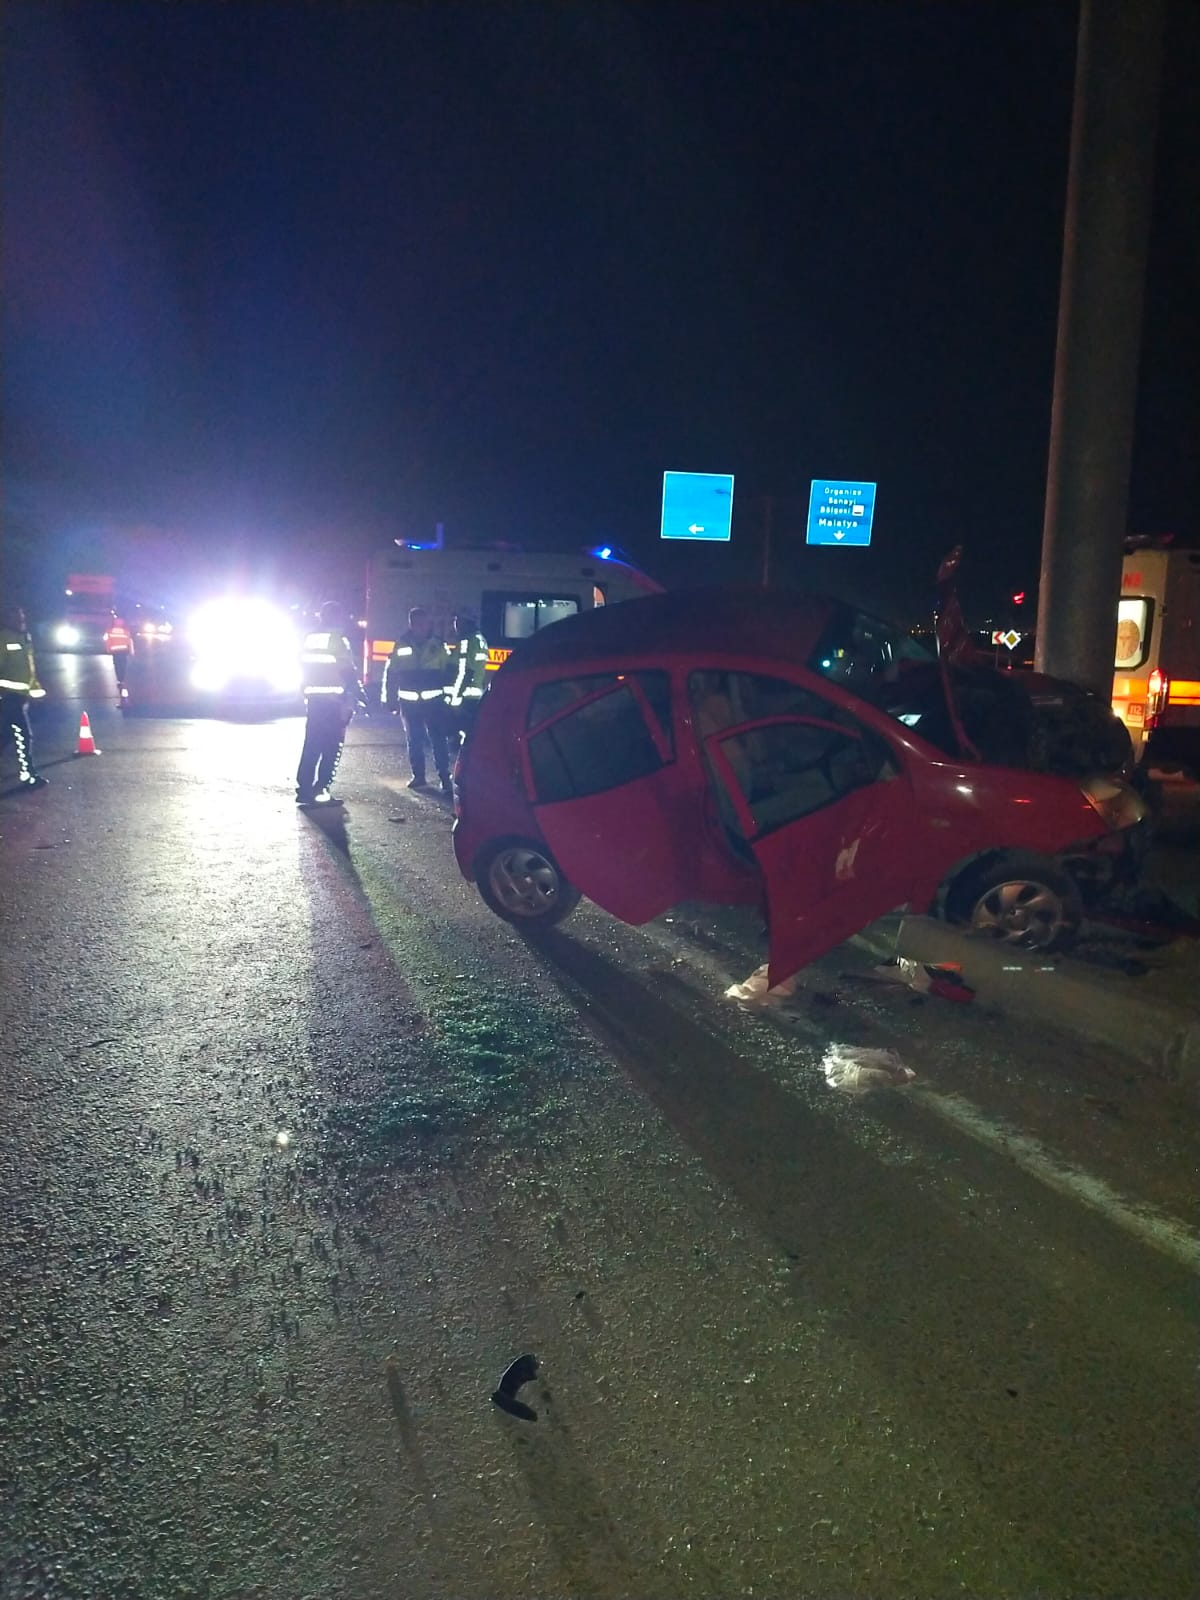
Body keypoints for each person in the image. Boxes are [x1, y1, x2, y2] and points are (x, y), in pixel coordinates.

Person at [295, 602, 363, 807]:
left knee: (312, 745)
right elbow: (347, 670)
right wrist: (357, 692)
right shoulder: (337, 640)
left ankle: (304, 788)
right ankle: (322, 789)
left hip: (314, 699)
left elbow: (302, 666)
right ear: (336, 617)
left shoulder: (309, 638)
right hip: (334, 701)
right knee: (332, 746)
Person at [385, 606, 453, 793]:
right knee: (414, 740)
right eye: (417, 623)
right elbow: (391, 673)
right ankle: (419, 776)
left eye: (424, 623)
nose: (421, 627)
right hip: (409, 702)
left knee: (438, 740)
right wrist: (390, 699)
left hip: (434, 702)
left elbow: (448, 672)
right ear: (411, 624)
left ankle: (445, 777)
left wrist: (448, 699)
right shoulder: (401, 644)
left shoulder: (438, 644)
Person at [0, 603, 48, 788]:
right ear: (6, 619)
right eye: (16, 617)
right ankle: (28, 774)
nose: (21, 620)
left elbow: (30, 669)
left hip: (21, 697)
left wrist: (36, 690)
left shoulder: (25, 638)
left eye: (22, 617)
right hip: (8, 697)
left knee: (5, 736)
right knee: (23, 734)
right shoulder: (3, 638)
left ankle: (27, 773)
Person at [444, 612, 489, 742]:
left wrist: (455, 698)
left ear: (466, 623)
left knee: (460, 733)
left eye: (458, 622)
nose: (455, 626)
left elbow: (465, 672)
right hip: (474, 693)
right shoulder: (480, 639)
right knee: (470, 731)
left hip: (464, 695)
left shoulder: (467, 642)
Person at [105, 612, 134, 705]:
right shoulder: (124, 631)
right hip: (121, 652)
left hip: (118, 652)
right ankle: (122, 679)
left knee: (118, 666)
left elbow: (107, 640)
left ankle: (120, 679)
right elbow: (129, 641)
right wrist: (131, 651)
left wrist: (108, 649)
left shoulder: (111, 631)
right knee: (121, 665)